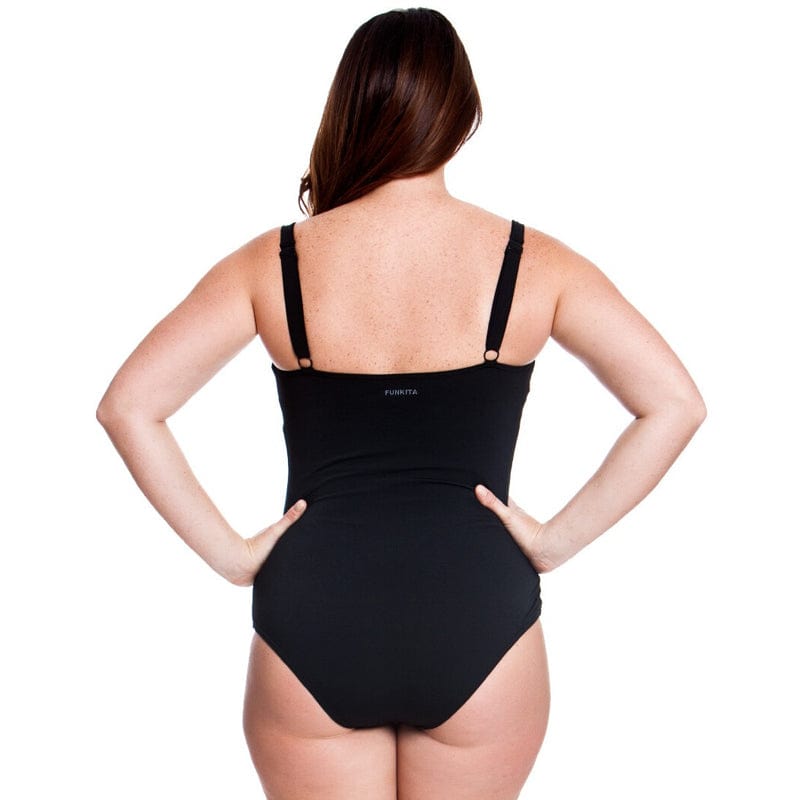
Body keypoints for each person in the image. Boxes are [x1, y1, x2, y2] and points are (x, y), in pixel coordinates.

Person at [96, 7, 706, 799]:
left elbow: (129, 405)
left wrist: (232, 555)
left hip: (314, 615)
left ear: (349, 107)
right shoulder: (533, 263)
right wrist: (554, 542)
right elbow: (674, 403)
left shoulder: (274, 262)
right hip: (477, 613)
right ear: (464, 115)